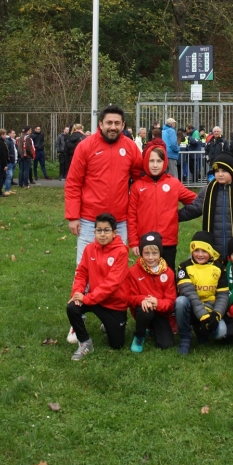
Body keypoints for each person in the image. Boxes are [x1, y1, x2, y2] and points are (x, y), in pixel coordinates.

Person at [65, 105, 143, 266]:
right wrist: (73, 216)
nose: (113, 127)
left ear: (123, 125)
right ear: (100, 124)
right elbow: (73, 183)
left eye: (117, 123)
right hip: (90, 220)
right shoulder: (85, 146)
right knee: (86, 267)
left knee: (117, 268)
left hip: (119, 221)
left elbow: (141, 178)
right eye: (109, 123)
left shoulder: (130, 147)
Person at [66, 213, 129, 361]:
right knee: (72, 307)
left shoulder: (121, 251)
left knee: (117, 345)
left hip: (114, 305)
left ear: (114, 233)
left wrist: (87, 298)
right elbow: (81, 273)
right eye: (99, 230)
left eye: (106, 230)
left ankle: (111, 324)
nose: (102, 234)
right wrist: (77, 293)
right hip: (95, 300)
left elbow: (112, 284)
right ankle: (85, 343)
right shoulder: (89, 249)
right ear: (94, 232)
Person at [127, 144, 196, 271]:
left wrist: (178, 215)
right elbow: (131, 216)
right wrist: (134, 242)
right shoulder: (137, 186)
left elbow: (194, 200)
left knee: (167, 274)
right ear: (145, 162)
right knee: (146, 276)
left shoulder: (173, 184)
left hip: (168, 241)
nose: (155, 165)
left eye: (159, 161)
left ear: (164, 163)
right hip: (145, 241)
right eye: (151, 161)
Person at [178, 153, 233, 262]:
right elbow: (195, 208)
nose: (220, 174)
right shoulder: (208, 190)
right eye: (217, 171)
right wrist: (175, 216)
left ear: (232, 172)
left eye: (224, 171)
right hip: (214, 241)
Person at [175, 231, 228, 354]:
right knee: (180, 301)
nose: (200, 254)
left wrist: (216, 314)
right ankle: (185, 337)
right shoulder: (184, 267)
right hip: (191, 307)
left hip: (210, 308)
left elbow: (223, 295)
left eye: (204, 251)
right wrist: (203, 317)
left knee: (221, 332)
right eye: (196, 250)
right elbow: (190, 294)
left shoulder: (219, 267)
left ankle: (201, 332)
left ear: (211, 252)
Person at [126, 232, 177, 353]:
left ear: (160, 253)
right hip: (143, 309)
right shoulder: (133, 272)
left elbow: (171, 301)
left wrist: (157, 303)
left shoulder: (168, 273)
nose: (150, 257)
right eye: (146, 253)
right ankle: (139, 335)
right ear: (141, 253)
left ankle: (151, 328)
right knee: (146, 310)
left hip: (160, 311)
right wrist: (142, 300)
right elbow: (128, 297)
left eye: (154, 253)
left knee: (167, 344)